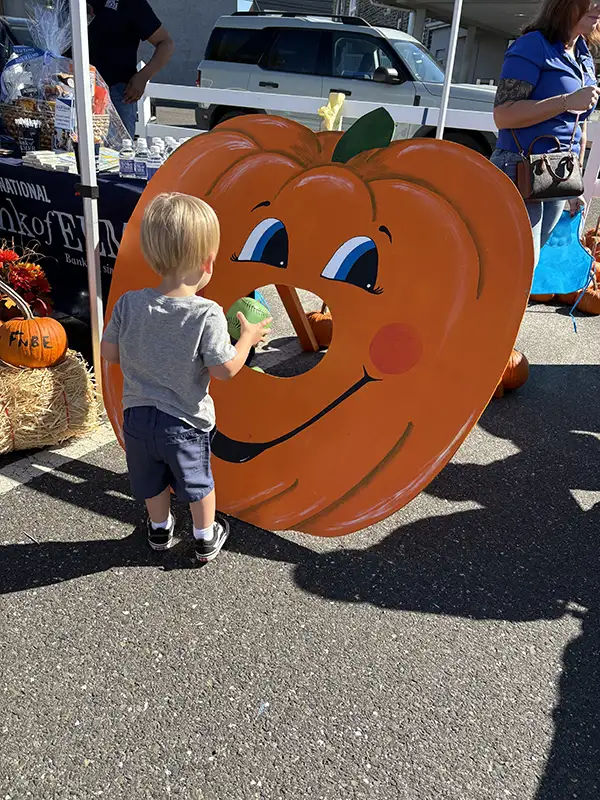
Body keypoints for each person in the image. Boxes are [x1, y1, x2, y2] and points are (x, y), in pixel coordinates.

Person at [101, 193, 271, 563]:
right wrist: (247, 339)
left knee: (151, 480)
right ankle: (206, 536)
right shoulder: (206, 313)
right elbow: (225, 370)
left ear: (151, 254)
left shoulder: (129, 303)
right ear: (208, 262)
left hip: (137, 419)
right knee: (197, 483)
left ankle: (160, 529)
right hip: (184, 423)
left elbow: (109, 354)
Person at [492, 0, 600, 265]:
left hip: (556, 173)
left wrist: (574, 186)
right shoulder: (532, 45)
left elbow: (579, 123)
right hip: (520, 168)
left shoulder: (582, 51)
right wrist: (565, 101)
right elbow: (503, 114)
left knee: (528, 264)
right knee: (519, 264)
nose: (598, 7)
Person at [86, 0, 174, 137]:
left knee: (117, 153)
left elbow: (166, 43)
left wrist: (144, 76)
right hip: (72, 91)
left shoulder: (130, 3)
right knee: (66, 153)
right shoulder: (70, 3)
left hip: (117, 94)